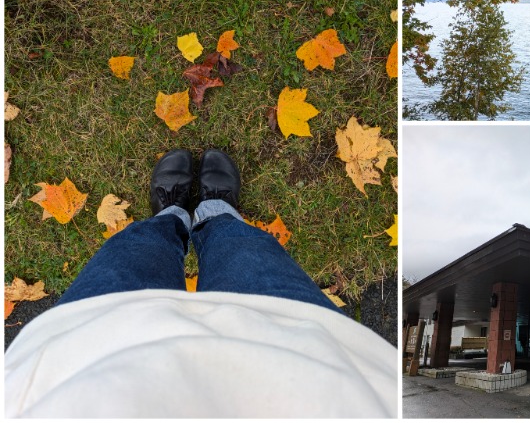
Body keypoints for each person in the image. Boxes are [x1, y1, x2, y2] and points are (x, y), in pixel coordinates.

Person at [4, 149, 397, 418]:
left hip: (90, 360)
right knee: (246, 255)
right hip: (299, 367)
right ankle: (215, 211)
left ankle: (172, 215)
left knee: (135, 255)